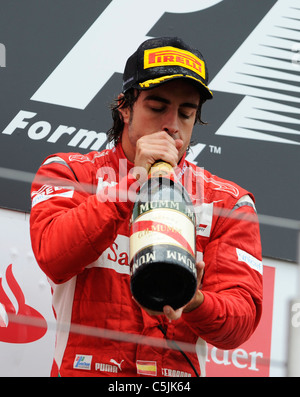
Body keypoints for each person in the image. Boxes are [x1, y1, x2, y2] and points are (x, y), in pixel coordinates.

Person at [30, 37, 263, 377]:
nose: (172, 124)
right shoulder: (70, 172)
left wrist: (194, 300)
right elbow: (53, 257)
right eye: (157, 107)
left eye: (186, 113)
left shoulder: (227, 201)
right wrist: (133, 182)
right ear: (124, 107)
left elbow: (239, 325)